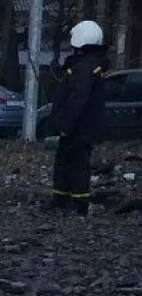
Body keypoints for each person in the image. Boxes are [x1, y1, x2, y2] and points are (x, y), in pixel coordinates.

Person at [48, 20, 110, 216]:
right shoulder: (89, 64)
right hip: (81, 126)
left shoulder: (84, 67)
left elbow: (77, 97)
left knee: (76, 162)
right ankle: (62, 197)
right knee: (66, 159)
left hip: (79, 127)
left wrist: (66, 123)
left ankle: (79, 201)